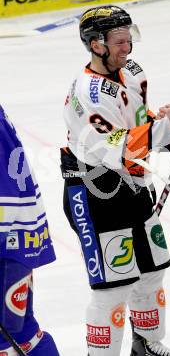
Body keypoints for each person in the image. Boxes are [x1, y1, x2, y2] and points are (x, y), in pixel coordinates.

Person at [61, 5, 170, 356]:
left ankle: (147, 344)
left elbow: (136, 120)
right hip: (95, 191)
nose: (128, 48)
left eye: (128, 39)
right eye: (120, 42)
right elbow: (116, 149)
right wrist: (165, 128)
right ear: (96, 45)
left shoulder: (131, 71)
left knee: (152, 271)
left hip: (134, 184)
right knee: (113, 287)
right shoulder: (89, 93)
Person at [0, 104, 60, 355]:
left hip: (8, 239)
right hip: (18, 236)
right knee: (23, 331)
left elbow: (7, 190)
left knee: (9, 336)